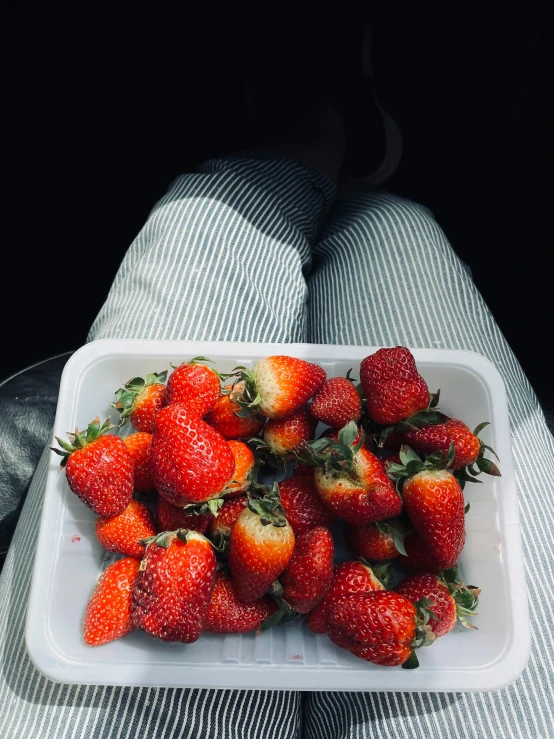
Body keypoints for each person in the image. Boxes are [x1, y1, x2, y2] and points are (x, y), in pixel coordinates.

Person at [0, 92, 552, 739]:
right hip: (265, 513)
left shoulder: (256, 489)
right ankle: (343, 149)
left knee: (207, 223)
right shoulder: (252, 490)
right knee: (398, 229)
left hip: (256, 515)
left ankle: (307, 148)